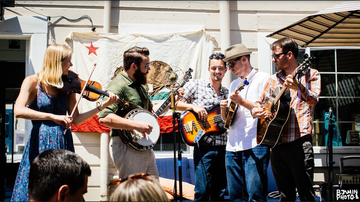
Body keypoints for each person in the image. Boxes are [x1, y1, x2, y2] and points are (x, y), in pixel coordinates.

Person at [11, 44, 118, 201]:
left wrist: (101, 106)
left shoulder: (68, 85)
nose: (71, 65)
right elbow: (18, 111)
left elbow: (75, 120)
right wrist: (52, 117)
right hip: (40, 141)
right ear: (56, 61)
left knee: (63, 184)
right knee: (39, 184)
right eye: (68, 61)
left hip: (62, 140)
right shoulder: (33, 82)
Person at [251, 37, 321, 201]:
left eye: (276, 56)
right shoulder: (273, 80)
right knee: (284, 195)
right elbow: (258, 104)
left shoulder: (310, 74)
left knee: (306, 195)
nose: (273, 59)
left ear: (289, 55)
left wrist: (298, 87)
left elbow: (313, 100)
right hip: (276, 144)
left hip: (299, 141)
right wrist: (259, 112)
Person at [98, 46, 183, 179]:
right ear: (134, 66)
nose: (149, 69)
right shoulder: (118, 85)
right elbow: (103, 117)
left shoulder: (141, 85)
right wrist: (135, 125)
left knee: (153, 193)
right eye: (146, 65)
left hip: (144, 147)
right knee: (133, 195)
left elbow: (151, 112)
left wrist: (173, 99)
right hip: (127, 147)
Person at [219, 44, 271, 201]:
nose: (229, 69)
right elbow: (228, 120)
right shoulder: (234, 84)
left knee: (255, 196)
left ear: (243, 59)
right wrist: (223, 110)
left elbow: (266, 110)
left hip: (255, 145)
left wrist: (241, 101)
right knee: (235, 196)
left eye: (230, 64)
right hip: (233, 146)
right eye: (227, 65)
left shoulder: (264, 79)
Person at [176, 52, 228, 201]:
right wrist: (193, 107)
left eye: (220, 68)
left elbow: (228, 121)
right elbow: (176, 104)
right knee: (203, 191)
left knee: (219, 192)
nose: (217, 71)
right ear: (208, 69)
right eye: (214, 68)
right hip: (204, 147)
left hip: (223, 147)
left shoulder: (227, 94)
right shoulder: (196, 85)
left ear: (225, 70)